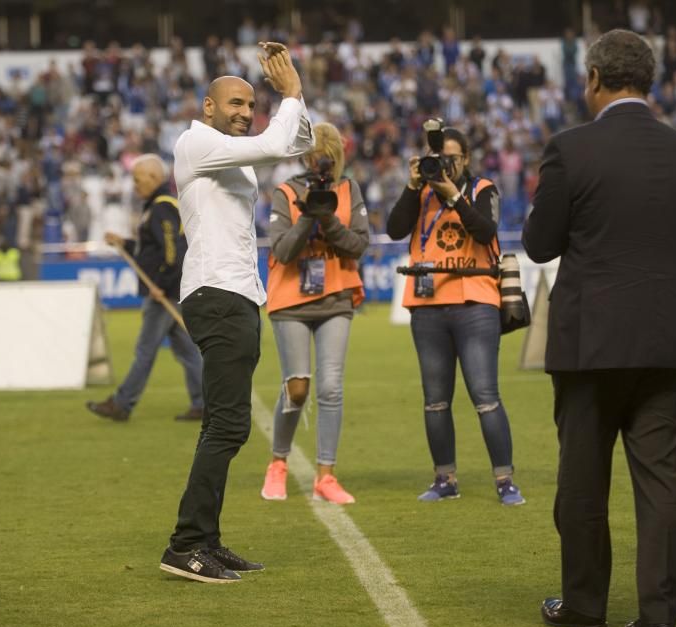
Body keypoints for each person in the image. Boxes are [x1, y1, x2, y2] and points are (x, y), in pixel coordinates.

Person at [523, 30, 676, 627]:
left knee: (582, 482)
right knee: (663, 486)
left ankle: (584, 605)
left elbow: (540, 243)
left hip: (590, 343)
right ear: (648, 82)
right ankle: (659, 617)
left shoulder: (570, 148)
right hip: (667, 336)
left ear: (595, 80)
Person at [159, 43, 314, 584]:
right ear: (207, 107)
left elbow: (298, 140)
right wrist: (290, 94)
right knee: (227, 424)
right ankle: (185, 544)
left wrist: (295, 98)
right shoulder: (196, 141)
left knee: (228, 425)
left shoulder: (227, 152)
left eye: (252, 104)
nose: (246, 112)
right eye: (235, 104)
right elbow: (280, 141)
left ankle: (207, 540)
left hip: (235, 294)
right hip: (218, 294)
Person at [386, 125, 524, 506]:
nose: (445, 165)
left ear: (465, 160)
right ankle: (444, 478)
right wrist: (413, 187)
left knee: (485, 396)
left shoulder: (482, 189)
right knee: (435, 400)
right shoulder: (422, 192)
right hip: (428, 306)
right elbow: (395, 228)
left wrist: (454, 196)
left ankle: (505, 480)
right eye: (439, 159)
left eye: (452, 158)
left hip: (476, 301)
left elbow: (485, 231)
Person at [259, 122, 368, 505]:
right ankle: (278, 463)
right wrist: (308, 215)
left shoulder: (348, 189)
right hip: (290, 299)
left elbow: (358, 245)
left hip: (336, 296)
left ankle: (326, 474)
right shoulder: (286, 192)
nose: (325, 163)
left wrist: (328, 219)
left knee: (331, 387)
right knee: (298, 386)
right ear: (306, 156)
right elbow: (283, 252)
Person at [86, 155, 204, 423]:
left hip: (164, 292)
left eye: (138, 179)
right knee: (187, 351)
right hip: (175, 290)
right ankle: (204, 402)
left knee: (145, 351)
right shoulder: (159, 207)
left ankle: (122, 403)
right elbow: (151, 249)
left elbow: (171, 253)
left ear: (154, 178)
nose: (135, 185)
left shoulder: (162, 208)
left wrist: (160, 284)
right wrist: (125, 244)